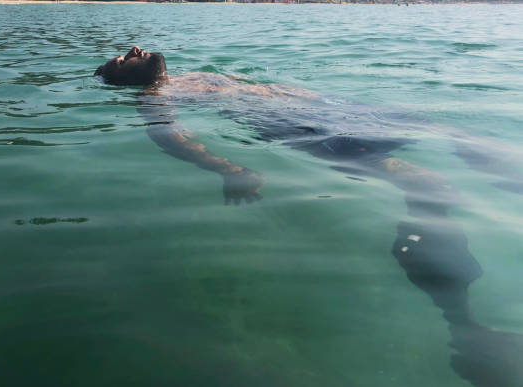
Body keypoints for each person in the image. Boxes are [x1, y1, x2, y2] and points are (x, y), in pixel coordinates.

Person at [95, 47, 523, 387]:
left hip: (330, 108)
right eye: (121, 58)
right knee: (429, 187)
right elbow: (170, 137)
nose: (133, 48)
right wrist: (230, 169)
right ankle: (465, 325)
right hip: (300, 128)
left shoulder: (189, 77)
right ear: (123, 79)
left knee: (452, 135)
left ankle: (507, 173)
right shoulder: (155, 97)